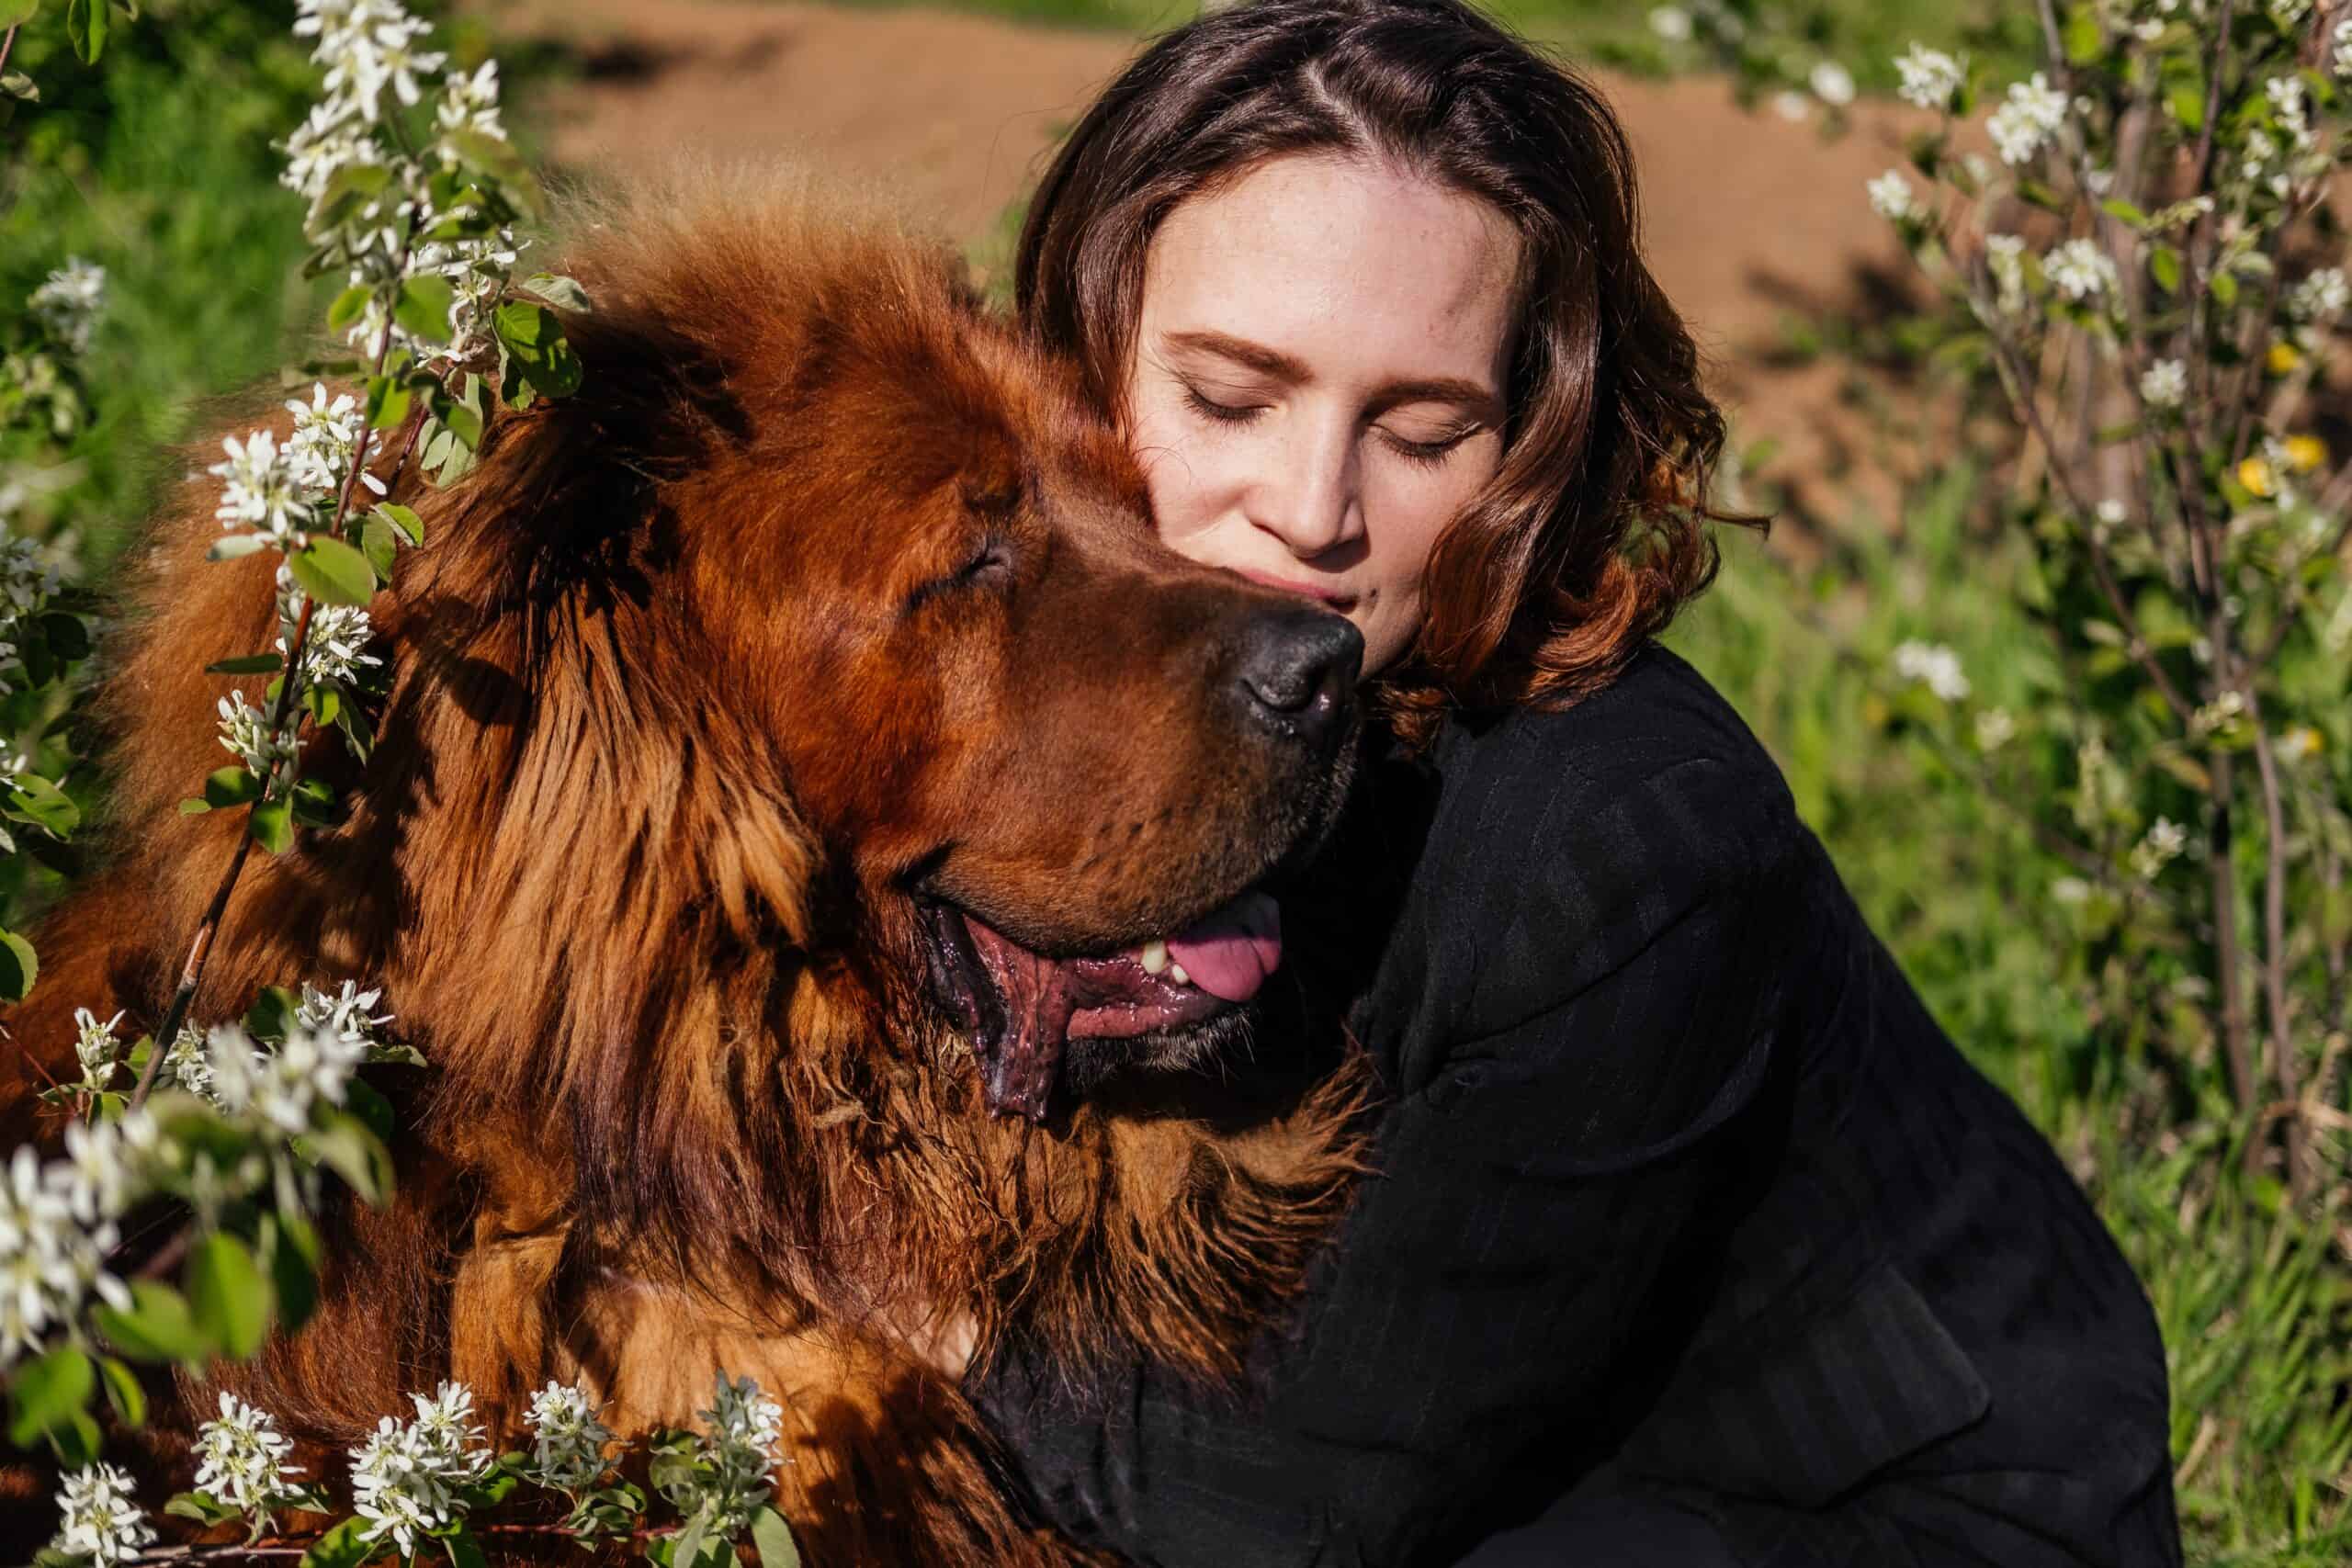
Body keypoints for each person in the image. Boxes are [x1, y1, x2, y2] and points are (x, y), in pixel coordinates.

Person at [963, 1, 2184, 1563]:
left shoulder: (1627, 844)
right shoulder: (1007, 671)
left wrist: (867, 1330)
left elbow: (1283, 1513)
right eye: (1229, 399)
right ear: (1076, 362)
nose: (1311, 513)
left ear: (1527, 454)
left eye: (1420, 432)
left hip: (1856, 1516)